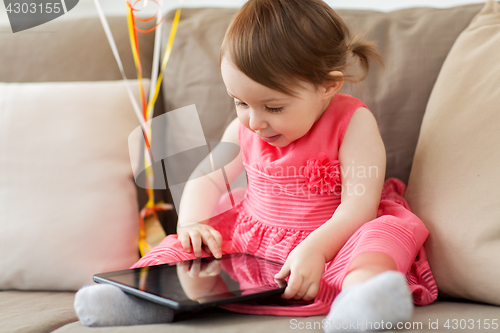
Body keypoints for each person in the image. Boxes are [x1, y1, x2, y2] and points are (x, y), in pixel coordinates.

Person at [74, 0, 438, 331]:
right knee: (183, 249)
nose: (254, 122)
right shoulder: (244, 129)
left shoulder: (353, 123)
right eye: (239, 102)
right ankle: (139, 301)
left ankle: (363, 300)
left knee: (380, 240)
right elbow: (208, 177)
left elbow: (358, 208)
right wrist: (192, 222)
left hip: (336, 235)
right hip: (253, 240)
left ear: (327, 86)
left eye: (273, 107)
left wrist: (316, 249)